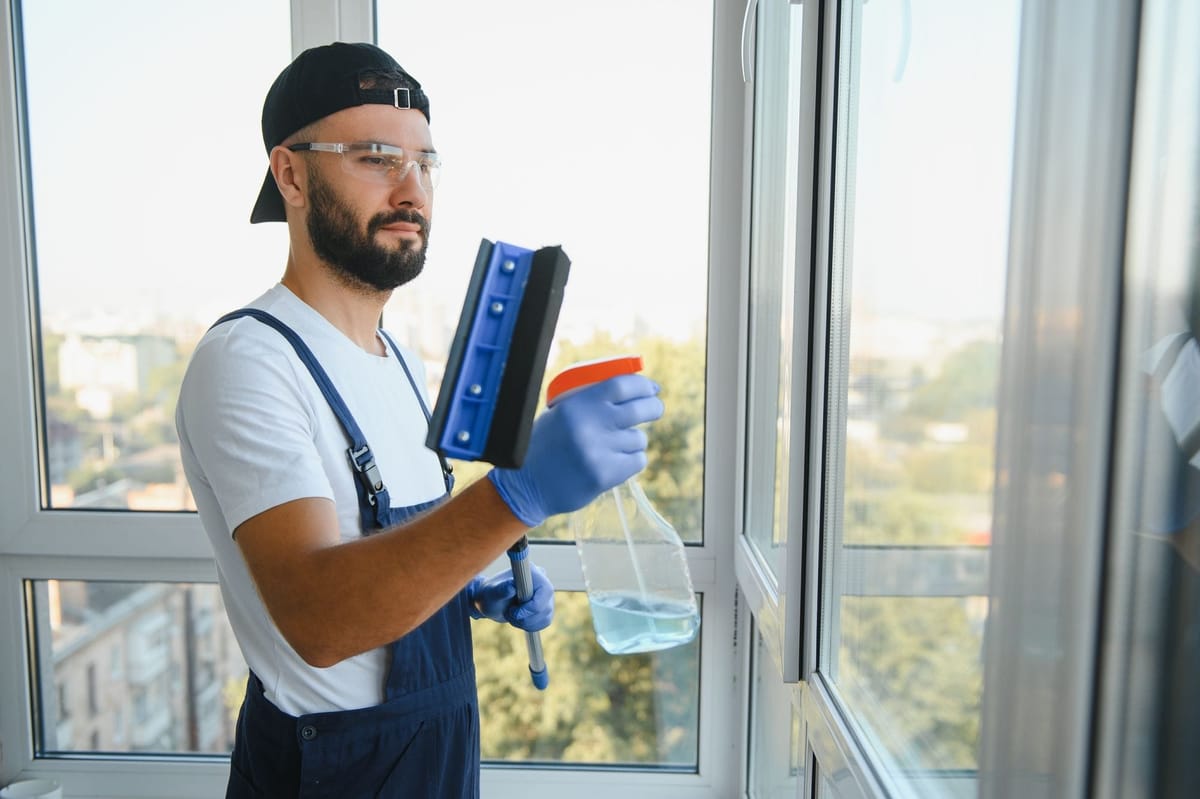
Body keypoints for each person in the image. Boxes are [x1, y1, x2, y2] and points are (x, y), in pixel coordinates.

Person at [175, 41, 663, 798]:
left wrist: (470, 583)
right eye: (376, 158)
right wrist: (516, 497)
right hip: (336, 776)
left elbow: (381, 553)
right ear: (291, 175)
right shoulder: (250, 360)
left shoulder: (395, 358)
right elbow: (320, 619)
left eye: (425, 163)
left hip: (436, 761)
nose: (413, 190)